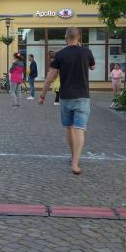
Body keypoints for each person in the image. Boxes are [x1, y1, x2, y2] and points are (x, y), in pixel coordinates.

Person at [38, 27, 95, 175]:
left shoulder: (60, 54)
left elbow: (50, 77)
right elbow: (93, 67)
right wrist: (82, 50)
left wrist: (42, 95)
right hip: (82, 96)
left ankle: (72, 156)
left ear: (66, 37)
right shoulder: (86, 52)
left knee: (69, 128)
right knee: (79, 129)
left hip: (65, 96)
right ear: (79, 37)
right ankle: (75, 163)